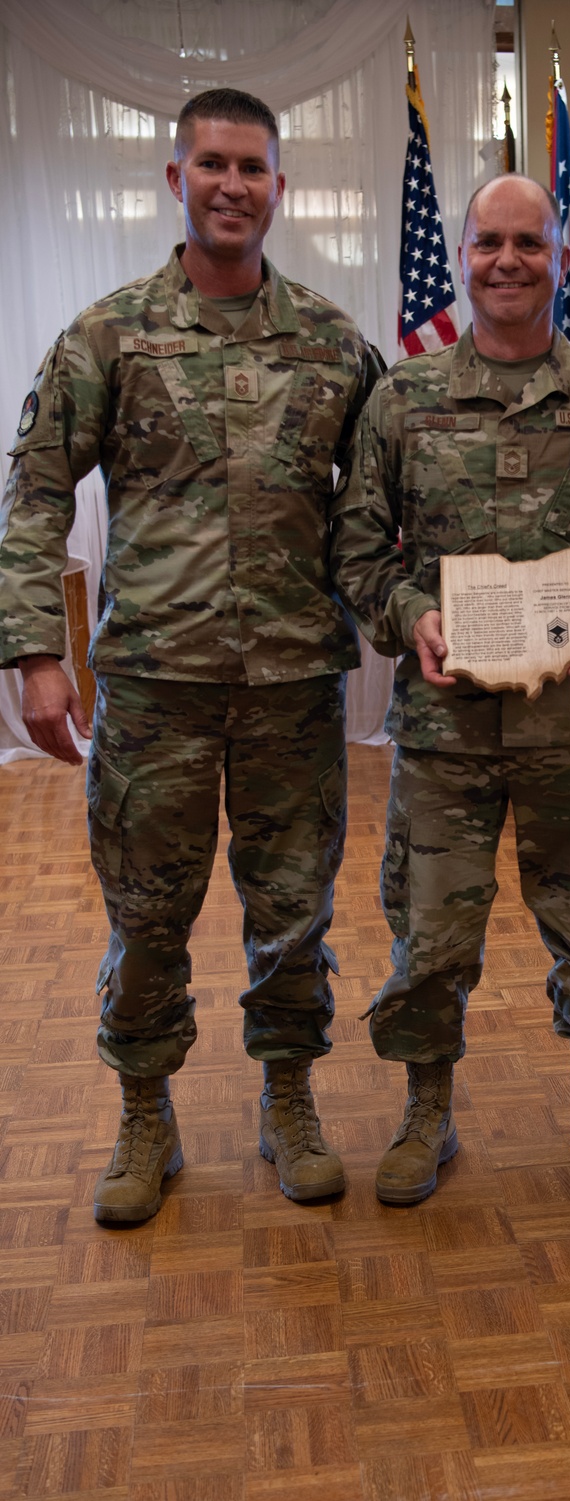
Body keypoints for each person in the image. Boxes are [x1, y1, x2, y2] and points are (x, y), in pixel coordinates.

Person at [0, 89, 382, 1223]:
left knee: (293, 909)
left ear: (279, 186)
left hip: (294, 693)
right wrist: (34, 652)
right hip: (156, 688)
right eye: (211, 164)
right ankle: (143, 1112)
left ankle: (289, 1099)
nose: (231, 185)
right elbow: (32, 498)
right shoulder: (107, 336)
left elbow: (381, 511)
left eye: (252, 168)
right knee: (147, 913)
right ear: (177, 179)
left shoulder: (332, 345)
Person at [333, 174, 570, 1206]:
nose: (506, 261)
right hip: (444, 726)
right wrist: (411, 621)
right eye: (488, 241)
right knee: (432, 930)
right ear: (463, 253)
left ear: (560, 256)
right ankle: (426, 1111)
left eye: (528, 243)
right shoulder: (401, 400)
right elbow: (358, 551)